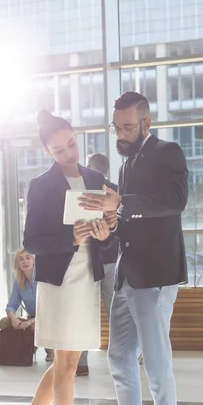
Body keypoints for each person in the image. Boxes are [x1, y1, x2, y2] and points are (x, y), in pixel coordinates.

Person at [0, 110, 116, 405]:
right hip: (59, 283)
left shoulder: (96, 179)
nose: (68, 153)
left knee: (63, 366)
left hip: (87, 280)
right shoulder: (42, 185)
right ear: (47, 151)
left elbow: (112, 231)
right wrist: (72, 236)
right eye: (58, 149)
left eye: (71, 144)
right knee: (65, 367)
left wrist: (106, 230)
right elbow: (31, 241)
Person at [80, 91, 188, 405]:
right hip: (127, 274)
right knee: (120, 358)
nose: (121, 135)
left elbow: (175, 200)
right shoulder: (125, 168)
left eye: (127, 127)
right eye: (116, 128)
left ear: (146, 124)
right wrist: (108, 227)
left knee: (157, 366)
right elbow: (126, 224)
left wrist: (121, 204)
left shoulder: (168, 153)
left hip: (157, 276)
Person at [76, 153, 119, 377]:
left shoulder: (83, 192)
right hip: (111, 258)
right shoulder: (115, 191)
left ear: (91, 167)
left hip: (90, 258)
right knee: (115, 312)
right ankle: (124, 356)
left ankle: (81, 361)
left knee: (85, 310)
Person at [0, 247, 54, 362]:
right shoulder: (18, 282)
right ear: (17, 264)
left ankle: (49, 349)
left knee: (33, 326)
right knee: (4, 322)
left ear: (34, 261)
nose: (24, 261)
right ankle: (25, 348)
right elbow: (11, 305)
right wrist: (14, 319)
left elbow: (49, 308)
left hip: (48, 318)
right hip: (31, 318)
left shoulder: (43, 278)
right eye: (21, 259)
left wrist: (30, 322)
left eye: (28, 258)